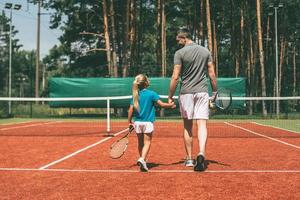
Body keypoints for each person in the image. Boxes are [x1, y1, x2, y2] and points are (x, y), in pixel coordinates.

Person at [168, 28, 217, 172]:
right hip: (202, 92)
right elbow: (212, 74)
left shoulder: (180, 53)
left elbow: (175, 76)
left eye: (178, 39)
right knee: (202, 125)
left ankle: (189, 159)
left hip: (186, 93)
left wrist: (170, 96)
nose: (178, 42)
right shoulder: (205, 51)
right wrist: (214, 92)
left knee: (187, 126)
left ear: (184, 37)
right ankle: (201, 152)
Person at [128, 74, 176, 172]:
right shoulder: (152, 94)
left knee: (140, 143)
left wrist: (129, 122)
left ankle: (142, 159)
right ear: (146, 83)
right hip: (147, 123)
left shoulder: (135, 95)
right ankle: (142, 159)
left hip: (137, 123)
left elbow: (130, 110)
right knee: (147, 142)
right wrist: (170, 105)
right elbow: (162, 104)